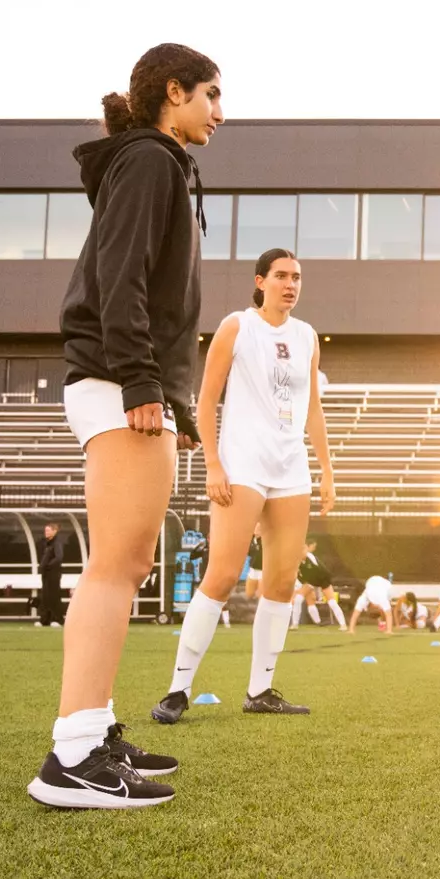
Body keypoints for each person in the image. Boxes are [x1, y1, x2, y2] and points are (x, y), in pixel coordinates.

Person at [27, 43, 222, 811]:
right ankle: (71, 755)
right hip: (118, 382)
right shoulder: (149, 161)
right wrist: (144, 380)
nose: (220, 110)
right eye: (210, 93)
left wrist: (170, 396)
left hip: (131, 384)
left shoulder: (158, 162)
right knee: (116, 566)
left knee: (129, 564)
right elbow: (121, 275)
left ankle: (93, 728)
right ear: (172, 92)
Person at [151, 248, 337, 726]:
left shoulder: (307, 336)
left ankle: (261, 690)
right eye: (281, 276)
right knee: (223, 573)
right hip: (243, 464)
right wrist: (214, 464)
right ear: (260, 281)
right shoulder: (238, 325)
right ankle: (177, 689)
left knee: (281, 581)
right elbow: (207, 398)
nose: (290, 284)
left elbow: (312, 407)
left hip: (291, 469)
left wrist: (327, 470)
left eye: (297, 277)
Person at [294, 538, 347, 629]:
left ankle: (343, 625)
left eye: (303, 549)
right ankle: (295, 624)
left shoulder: (310, 556)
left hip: (323, 580)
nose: (301, 551)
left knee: (332, 602)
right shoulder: (297, 562)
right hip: (311, 581)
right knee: (298, 599)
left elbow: (318, 569)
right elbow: (299, 576)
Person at [35, 521, 66, 627]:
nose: (46, 532)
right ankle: (45, 619)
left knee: (54, 596)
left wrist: (48, 566)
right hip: (46, 574)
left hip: (53, 573)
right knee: (45, 596)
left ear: (55, 531)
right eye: (45, 530)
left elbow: (59, 557)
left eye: (48, 530)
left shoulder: (57, 542)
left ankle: (57, 619)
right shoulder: (46, 543)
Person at [243, 524, 264, 601]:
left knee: (261, 595)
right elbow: (248, 553)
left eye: (259, 528)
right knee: (249, 593)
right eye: (256, 528)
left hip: (263, 570)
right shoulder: (251, 540)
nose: (257, 530)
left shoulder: (265, 540)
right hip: (253, 568)